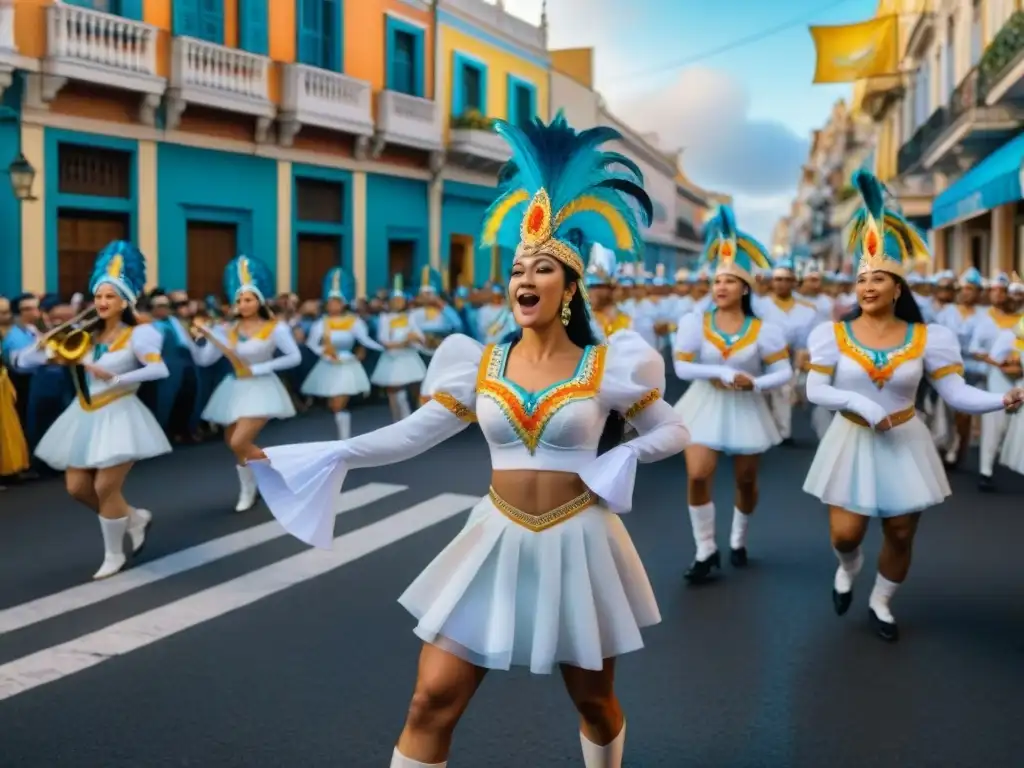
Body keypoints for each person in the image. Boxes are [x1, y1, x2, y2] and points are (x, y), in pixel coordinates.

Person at [249, 114, 691, 768]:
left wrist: (624, 455)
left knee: (595, 703)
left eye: (543, 267)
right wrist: (331, 454)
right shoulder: (477, 362)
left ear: (570, 288)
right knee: (431, 698)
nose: (524, 278)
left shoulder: (611, 365)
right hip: (495, 538)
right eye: (517, 267)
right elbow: (416, 433)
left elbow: (675, 430)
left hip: (581, 542)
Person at [801, 170, 1024, 642]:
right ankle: (849, 567)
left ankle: (881, 601)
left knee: (900, 532)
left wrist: (1001, 399)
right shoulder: (832, 335)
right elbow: (815, 390)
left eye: (878, 278)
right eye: (861, 279)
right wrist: (859, 403)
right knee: (845, 534)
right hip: (851, 439)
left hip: (905, 439)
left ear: (898, 287)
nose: (867, 286)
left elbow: (956, 392)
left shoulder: (929, 338)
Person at [14, 242, 171, 579]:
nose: (101, 302)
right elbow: (26, 362)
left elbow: (159, 370)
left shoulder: (141, 333)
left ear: (125, 300)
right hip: (84, 414)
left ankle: (114, 555)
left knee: (104, 488)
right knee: (76, 488)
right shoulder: (87, 333)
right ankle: (133, 518)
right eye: (98, 296)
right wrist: (38, 347)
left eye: (110, 297)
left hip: (121, 413)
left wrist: (117, 377)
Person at [672, 205, 793, 581]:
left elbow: (784, 371)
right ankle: (705, 547)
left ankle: (739, 538)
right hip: (703, 403)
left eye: (728, 281)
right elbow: (682, 366)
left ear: (744, 287)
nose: (719, 287)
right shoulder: (695, 322)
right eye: (716, 281)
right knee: (697, 474)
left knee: (745, 480)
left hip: (745, 407)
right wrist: (721, 371)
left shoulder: (764, 330)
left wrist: (754, 383)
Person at [186, 255, 302, 512]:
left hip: (262, 388)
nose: (242, 303)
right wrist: (197, 340)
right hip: (234, 388)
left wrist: (261, 367)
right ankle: (249, 490)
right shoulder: (227, 329)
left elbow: (295, 357)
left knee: (240, 442)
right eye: (239, 299)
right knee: (234, 445)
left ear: (259, 301)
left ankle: (277, 476)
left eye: (248, 299)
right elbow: (206, 360)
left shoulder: (276, 328)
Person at [301, 267, 383, 439]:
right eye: (330, 302)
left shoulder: (354, 322)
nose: (333, 305)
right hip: (329, 365)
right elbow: (311, 344)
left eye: (337, 301)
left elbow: (365, 340)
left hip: (347, 364)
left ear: (344, 303)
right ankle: (341, 435)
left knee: (338, 404)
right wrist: (324, 353)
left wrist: (382, 347)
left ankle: (344, 440)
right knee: (333, 405)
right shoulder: (321, 323)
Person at [370, 274, 428, 422]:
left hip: (409, 358)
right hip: (392, 358)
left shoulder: (410, 317)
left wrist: (415, 339)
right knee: (395, 391)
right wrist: (403, 342)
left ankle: (412, 421)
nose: (397, 302)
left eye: (400, 300)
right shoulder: (384, 318)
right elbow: (384, 340)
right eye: (395, 300)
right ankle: (399, 421)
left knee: (416, 389)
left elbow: (420, 337)